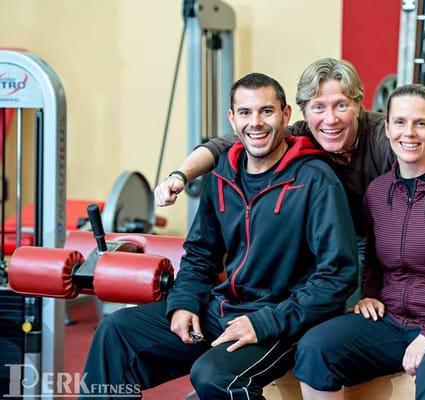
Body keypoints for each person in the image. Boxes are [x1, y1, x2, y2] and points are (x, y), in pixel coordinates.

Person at [81, 73, 357, 400]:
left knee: (214, 376)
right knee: (116, 333)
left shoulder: (315, 179)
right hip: (223, 310)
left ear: (285, 115)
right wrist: (183, 303)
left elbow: (338, 275)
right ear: (232, 118)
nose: (256, 122)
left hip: (283, 322)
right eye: (245, 112)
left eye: (266, 111)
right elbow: (200, 253)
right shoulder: (223, 173)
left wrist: (267, 322)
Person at [155, 58, 425, 304]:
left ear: (358, 105)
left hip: (385, 241)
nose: (330, 119)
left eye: (341, 105)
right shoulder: (297, 134)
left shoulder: (384, 134)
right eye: (318, 107)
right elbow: (222, 146)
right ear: (301, 111)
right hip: (336, 245)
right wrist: (179, 176)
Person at [292, 84, 425, 400]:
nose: (410, 133)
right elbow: (375, 264)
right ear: (387, 128)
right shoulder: (378, 193)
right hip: (394, 322)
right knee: (314, 349)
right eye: (400, 122)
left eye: (420, 123)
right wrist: (369, 294)